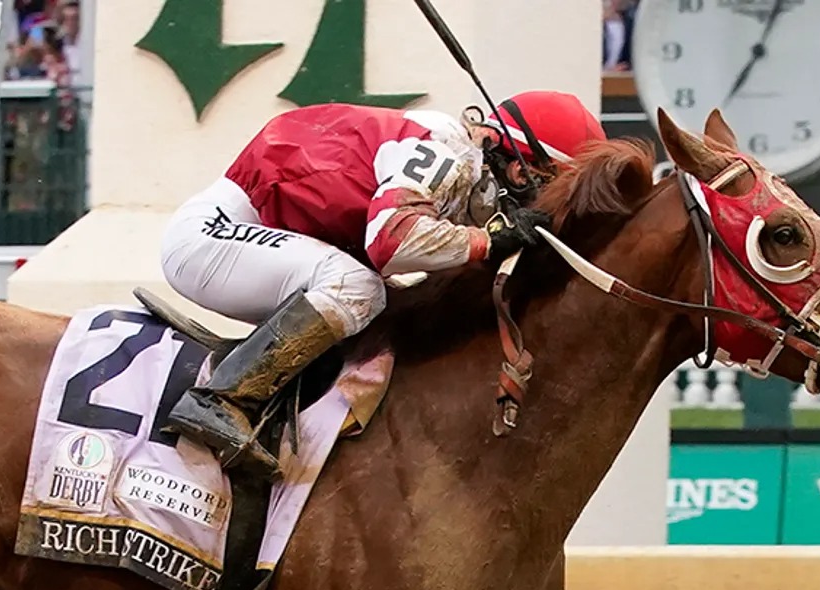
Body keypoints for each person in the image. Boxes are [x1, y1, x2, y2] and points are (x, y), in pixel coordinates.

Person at [158, 91, 606, 478]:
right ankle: (220, 399)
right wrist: (487, 240)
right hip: (211, 237)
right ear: (518, 168)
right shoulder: (448, 155)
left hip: (257, 236)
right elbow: (392, 241)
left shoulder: (451, 157)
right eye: (544, 187)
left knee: (384, 303)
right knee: (357, 287)